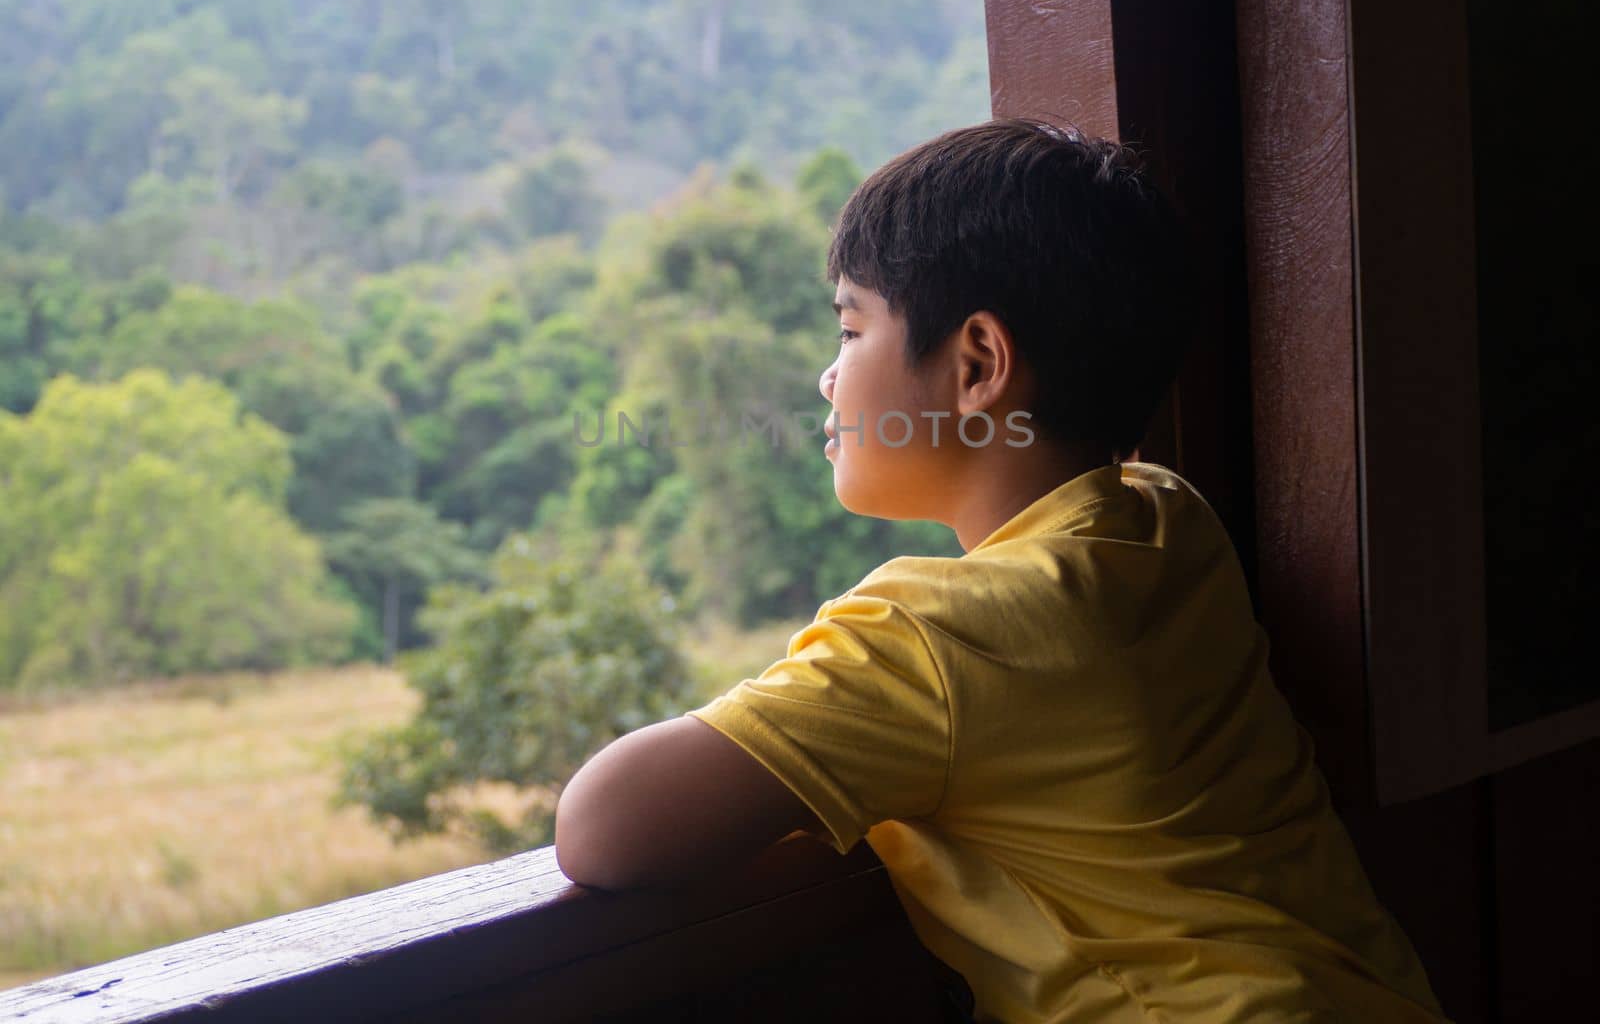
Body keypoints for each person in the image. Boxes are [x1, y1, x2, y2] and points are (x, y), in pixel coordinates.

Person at [553, 119, 1448, 1023]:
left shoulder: (935, 640)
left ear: (978, 361)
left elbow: (603, 830)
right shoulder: (1169, 518)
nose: (829, 379)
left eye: (852, 329)